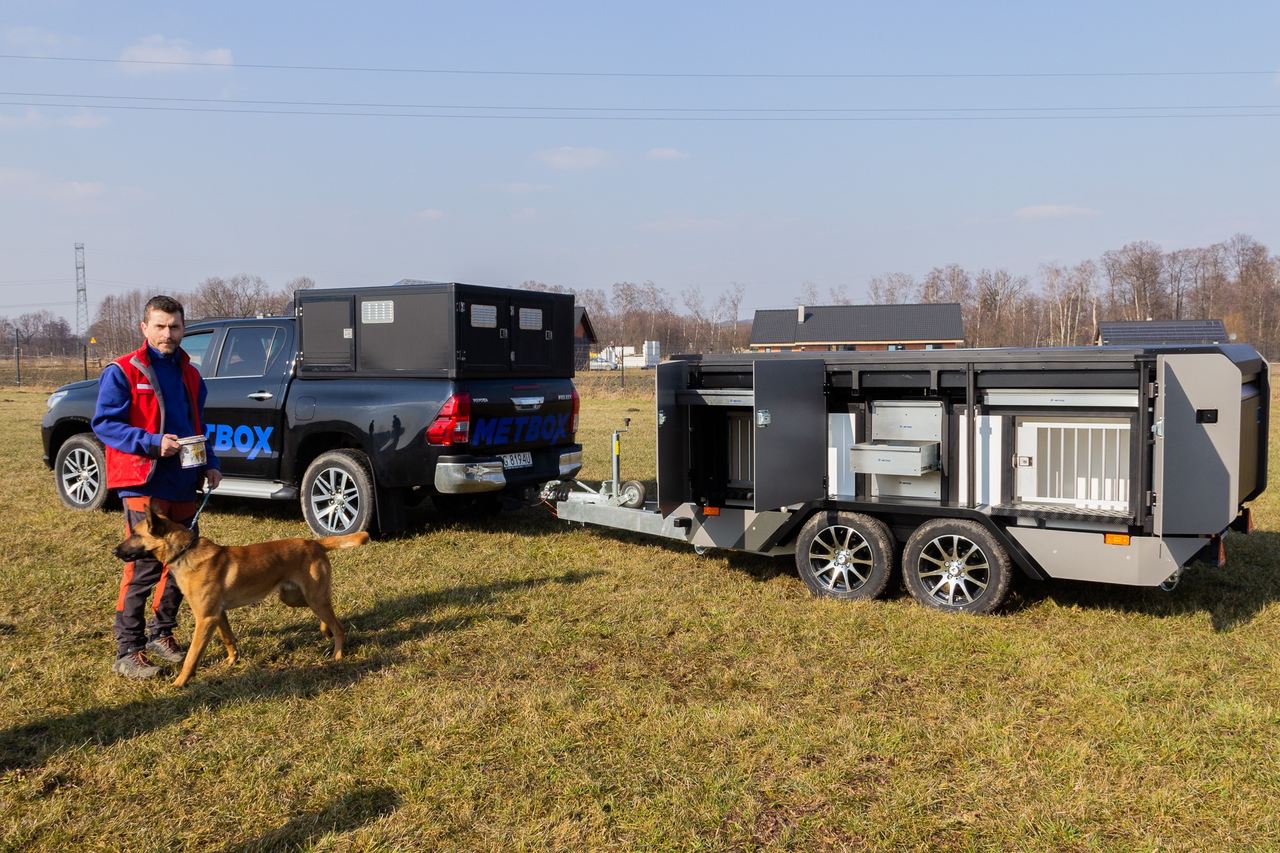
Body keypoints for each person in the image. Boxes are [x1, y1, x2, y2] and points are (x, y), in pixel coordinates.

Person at [92, 295, 222, 679]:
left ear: (183, 328)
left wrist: (210, 463)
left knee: (183, 562)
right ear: (144, 328)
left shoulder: (191, 374)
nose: (168, 334)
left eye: (175, 326)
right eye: (160, 326)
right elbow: (105, 424)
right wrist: (151, 442)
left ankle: (160, 634)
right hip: (144, 483)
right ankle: (127, 648)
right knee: (145, 568)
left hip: (185, 481)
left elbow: (199, 424)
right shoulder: (122, 371)